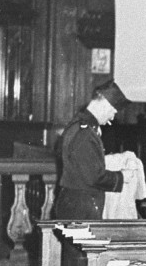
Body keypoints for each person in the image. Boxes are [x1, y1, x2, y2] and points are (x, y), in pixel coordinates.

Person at [53, 81, 130, 221]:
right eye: (113, 112)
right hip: (81, 208)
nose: (111, 119)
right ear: (105, 104)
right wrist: (122, 177)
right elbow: (94, 177)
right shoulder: (86, 133)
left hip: (76, 204)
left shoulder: (80, 124)